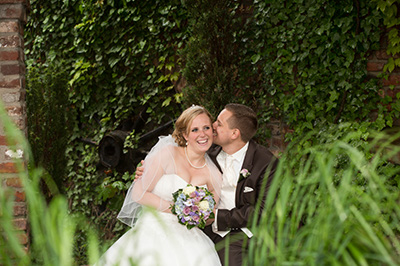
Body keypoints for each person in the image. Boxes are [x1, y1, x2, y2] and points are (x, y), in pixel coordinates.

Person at [136, 103, 279, 266]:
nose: (213, 126)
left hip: (242, 231)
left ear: (234, 133)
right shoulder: (208, 152)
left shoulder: (265, 163)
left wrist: (214, 216)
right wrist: (145, 171)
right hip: (200, 229)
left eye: (218, 123)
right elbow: (178, 160)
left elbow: (263, 211)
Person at [97, 105, 223, 266]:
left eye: (206, 128)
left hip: (190, 239)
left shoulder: (214, 174)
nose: (202, 134)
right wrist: (178, 208)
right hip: (152, 231)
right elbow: (139, 193)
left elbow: (210, 216)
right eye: (195, 130)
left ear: (212, 131)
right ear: (185, 135)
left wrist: (197, 215)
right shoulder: (167, 154)